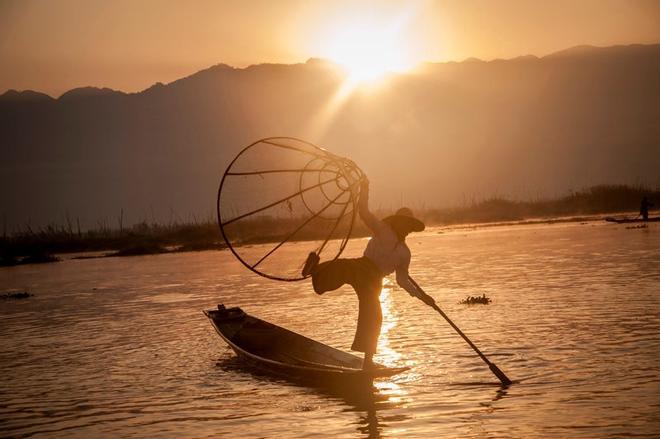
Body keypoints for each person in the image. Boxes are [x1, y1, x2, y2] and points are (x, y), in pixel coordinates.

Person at [301, 178, 433, 370]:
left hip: (374, 280)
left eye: (409, 226)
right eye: (404, 224)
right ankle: (315, 269)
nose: (407, 229)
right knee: (334, 274)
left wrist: (423, 297)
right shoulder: (383, 229)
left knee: (374, 315)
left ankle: (367, 363)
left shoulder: (405, 253)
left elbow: (402, 281)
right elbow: (364, 212)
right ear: (398, 222)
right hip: (362, 266)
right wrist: (365, 189)